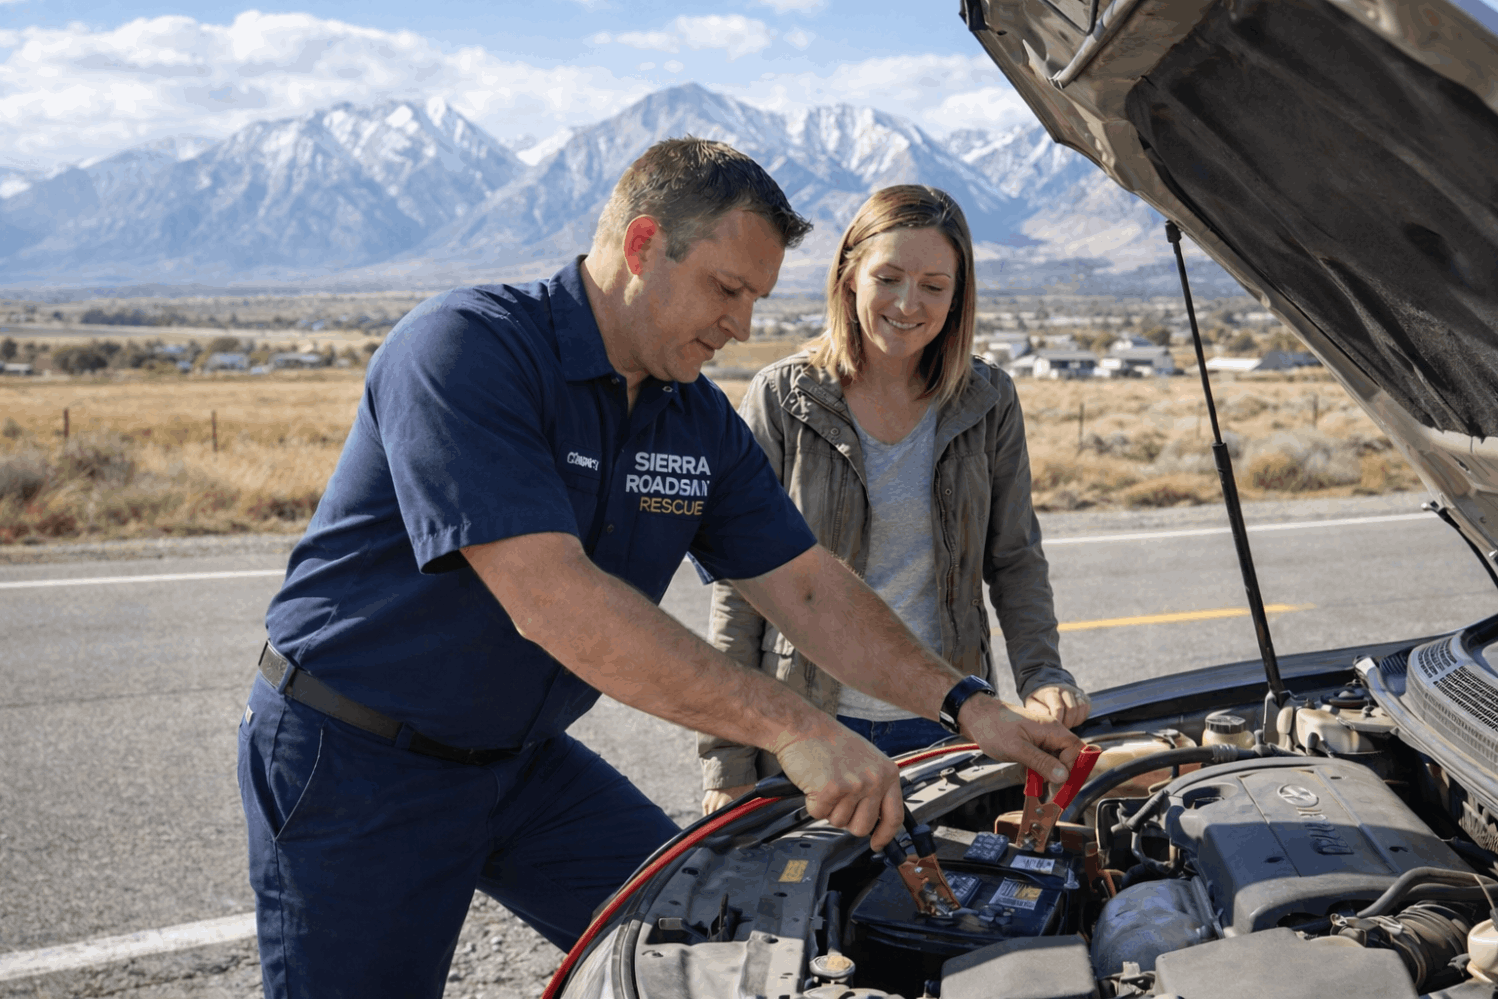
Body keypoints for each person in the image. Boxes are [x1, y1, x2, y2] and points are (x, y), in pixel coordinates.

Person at [238, 141, 1083, 999]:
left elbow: (808, 587)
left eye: (756, 298)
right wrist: (798, 727)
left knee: (705, 941)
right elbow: (555, 602)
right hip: (359, 760)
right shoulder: (467, 350)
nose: (743, 325)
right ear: (642, 245)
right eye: (727, 289)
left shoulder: (694, 417)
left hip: (521, 764)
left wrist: (968, 703)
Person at [700, 185, 1089, 813]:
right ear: (849, 274)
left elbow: (1015, 559)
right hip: (810, 729)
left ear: (959, 295)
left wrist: (1044, 675)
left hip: (949, 725)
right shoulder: (783, 398)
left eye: (935, 285)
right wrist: (728, 762)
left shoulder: (987, 402)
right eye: (889, 277)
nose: (909, 304)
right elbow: (740, 588)